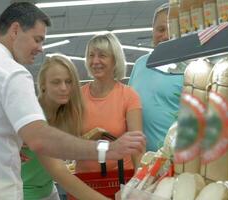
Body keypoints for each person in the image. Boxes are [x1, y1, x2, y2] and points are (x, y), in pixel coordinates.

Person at [0, 2, 146, 200]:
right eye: (37, 39)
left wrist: (5, 141)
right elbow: (40, 141)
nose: (40, 48)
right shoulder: (12, 72)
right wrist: (107, 149)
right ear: (15, 30)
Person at [21, 54, 107, 200]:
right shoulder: (33, 116)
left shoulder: (62, 114)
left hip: (48, 190)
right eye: (56, 82)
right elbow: (58, 170)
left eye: (68, 82)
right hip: (24, 193)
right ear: (42, 84)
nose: (63, 88)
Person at [76, 33, 144, 173]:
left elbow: (137, 146)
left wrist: (138, 183)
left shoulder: (129, 96)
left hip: (120, 178)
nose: (95, 61)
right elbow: (67, 139)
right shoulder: (77, 96)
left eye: (102, 55)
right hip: (83, 181)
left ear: (115, 60)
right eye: (91, 55)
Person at [128, 3, 184, 152]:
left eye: (171, 30)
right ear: (152, 30)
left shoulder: (192, 68)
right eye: (160, 29)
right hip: (142, 162)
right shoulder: (140, 65)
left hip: (178, 160)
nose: (165, 36)